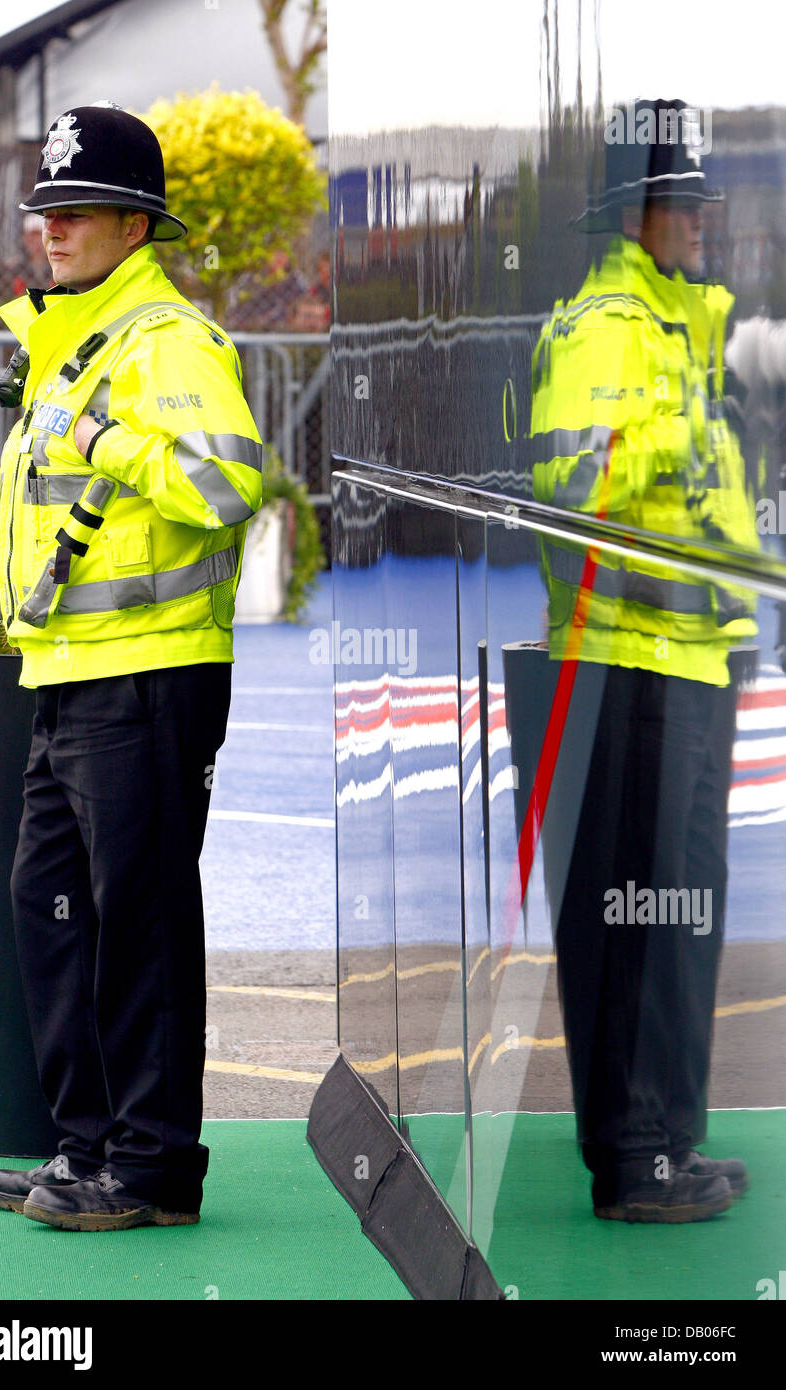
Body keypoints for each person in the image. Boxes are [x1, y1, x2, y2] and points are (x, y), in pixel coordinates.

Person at [0, 103, 262, 1231]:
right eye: (44, 208)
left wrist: (103, 440)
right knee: (50, 908)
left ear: (136, 224)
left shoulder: (168, 344)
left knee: (133, 921)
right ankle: (86, 1147)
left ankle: (147, 1169)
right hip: (73, 669)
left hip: (147, 673)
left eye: (77, 209)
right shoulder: (75, 345)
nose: (53, 228)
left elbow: (223, 485)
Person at [529, 99, 759, 1222]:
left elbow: (701, 506)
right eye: (685, 203)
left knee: (674, 922)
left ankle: (663, 1142)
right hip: (635, 665)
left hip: (687, 656)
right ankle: (637, 1160)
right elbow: (577, 494)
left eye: (704, 202)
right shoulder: (614, 330)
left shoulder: (673, 325)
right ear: (636, 214)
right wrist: (670, 415)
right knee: (643, 920)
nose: (701, 221)